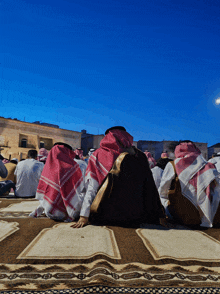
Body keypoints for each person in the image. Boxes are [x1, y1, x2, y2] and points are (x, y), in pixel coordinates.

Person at [72, 126, 166, 228]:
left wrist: (84, 216)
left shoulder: (98, 155)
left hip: (105, 215)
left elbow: (92, 188)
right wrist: (159, 215)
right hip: (136, 216)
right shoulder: (140, 156)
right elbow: (150, 187)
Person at [158, 141, 220, 227]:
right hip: (213, 216)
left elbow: (162, 192)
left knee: (162, 197)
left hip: (185, 216)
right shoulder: (210, 165)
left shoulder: (173, 165)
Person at [30, 143, 85, 221]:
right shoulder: (73, 166)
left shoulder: (47, 168)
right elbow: (80, 190)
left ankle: (44, 208)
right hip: (71, 212)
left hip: (49, 212)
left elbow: (43, 192)